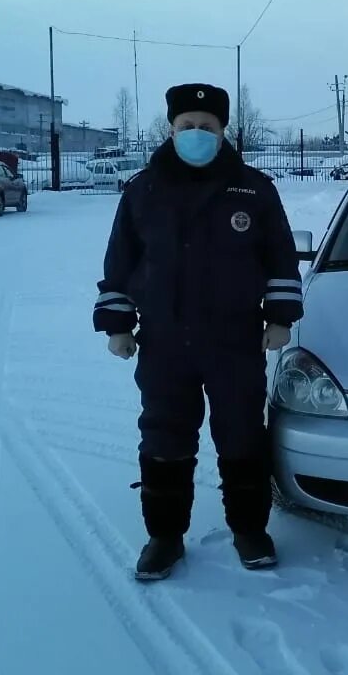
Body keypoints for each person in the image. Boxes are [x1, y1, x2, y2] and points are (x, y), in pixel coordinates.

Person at [92, 83, 303, 580]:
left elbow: (279, 259)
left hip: (235, 340)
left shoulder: (254, 189)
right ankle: (164, 537)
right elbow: (120, 264)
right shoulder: (143, 189)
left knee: (243, 437)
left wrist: (279, 318)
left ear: (223, 131)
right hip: (164, 341)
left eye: (206, 127)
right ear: (171, 129)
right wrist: (118, 325)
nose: (196, 134)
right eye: (187, 126)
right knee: (165, 438)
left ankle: (250, 530)